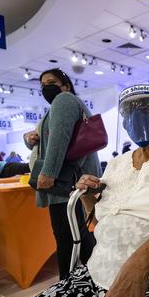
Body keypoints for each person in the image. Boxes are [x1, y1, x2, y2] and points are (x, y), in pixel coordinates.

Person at [13, 84, 149, 297]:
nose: (136, 115)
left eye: (148, 107)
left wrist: (137, 266)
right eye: (129, 110)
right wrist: (89, 198)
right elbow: (97, 226)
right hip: (99, 274)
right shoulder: (118, 163)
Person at [33, 68, 100, 280]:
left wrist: (49, 172)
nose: (46, 87)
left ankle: (67, 286)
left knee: (67, 237)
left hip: (67, 181)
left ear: (66, 85)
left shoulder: (64, 99)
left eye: (51, 82)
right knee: (77, 234)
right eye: (42, 85)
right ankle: (97, 277)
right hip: (73, 179)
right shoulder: (61, 105)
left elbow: (60, 138)